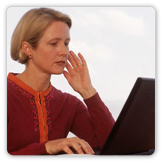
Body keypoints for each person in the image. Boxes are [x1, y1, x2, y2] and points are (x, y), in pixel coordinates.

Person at [7, 8, 115, 155]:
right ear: (27, 48)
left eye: (66, 43)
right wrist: (47, 147)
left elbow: (110, 145)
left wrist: (88, 91)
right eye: (53, 43)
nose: (64, 51)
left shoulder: (68, 104)